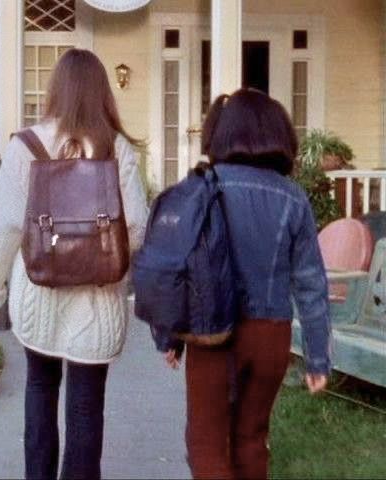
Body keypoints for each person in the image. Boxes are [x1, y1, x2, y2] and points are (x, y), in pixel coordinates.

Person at [0, 48, 149, 480]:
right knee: (86, 406)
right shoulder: (116, 148)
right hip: (98, 306)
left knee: (40, 390)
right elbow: (135, 227)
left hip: (38, 297)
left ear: (56, 90)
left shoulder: (27, 145)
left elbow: (2, 223)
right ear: (102, 92)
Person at [164, 88, 332, 479]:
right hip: (270, 335)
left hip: (212, 333)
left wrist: (171, 335)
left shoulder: (202, 188)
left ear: (221, 134)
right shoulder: (293, 198)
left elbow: (180, 269)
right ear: (279, 135)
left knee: (206, 443)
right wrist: (318, 356)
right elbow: (311, 284)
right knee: (252, 438)